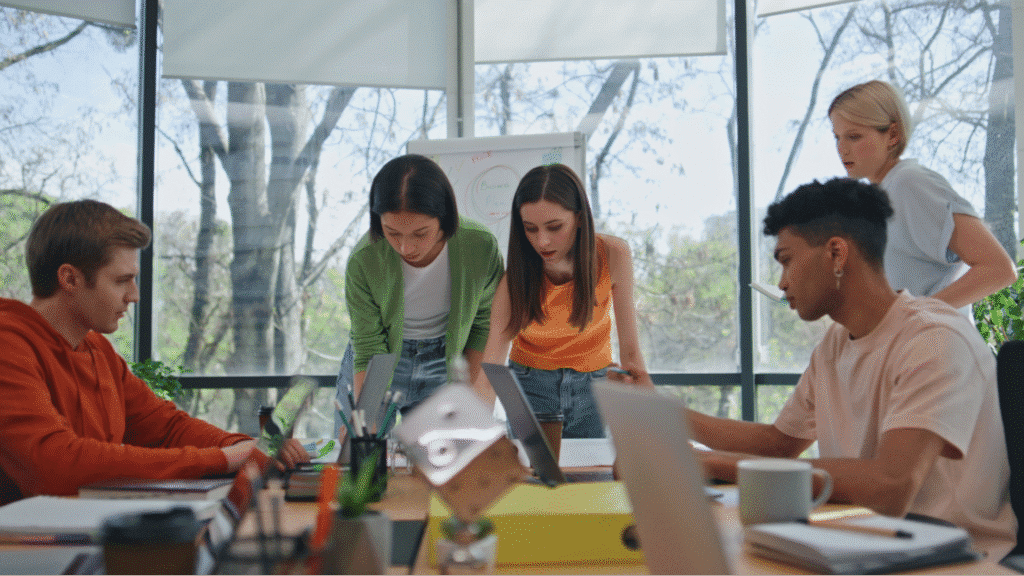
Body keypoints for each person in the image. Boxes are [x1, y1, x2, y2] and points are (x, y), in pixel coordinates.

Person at [691, 178, 1014, 538]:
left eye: (787, 260)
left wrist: (718, 463)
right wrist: (669, 418)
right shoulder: (835, 344)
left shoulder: (935, 339)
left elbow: (890, 487)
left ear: (836, 253)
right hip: (867, 539)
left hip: (957, 555)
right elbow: (778, 444)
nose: (781, 283)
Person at [0, 200, 308, 505]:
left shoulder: (98, 350)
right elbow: (56, 465)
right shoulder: (8, 344)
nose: (133, 296)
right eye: (122, 280)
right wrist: (222, 458)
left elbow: (167, 429)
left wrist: (245, 446)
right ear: (70, 279)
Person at [474, 164, 653, 439]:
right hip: (530, 385)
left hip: (595, 384)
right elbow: (490, 376)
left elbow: (630, 352)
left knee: (592, 472)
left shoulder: (613, 255)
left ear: (580, 218)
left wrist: (651, 420)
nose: (542, 241)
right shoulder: (514, 281)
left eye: (554, 227)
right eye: (530, 229)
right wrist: (470, 442)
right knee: (537, 474)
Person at [334, 154, 504, 434]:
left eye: (420, 233)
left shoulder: (480, 246)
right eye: (392, 232)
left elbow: (483, 324)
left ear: (444, 218)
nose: (405, 247)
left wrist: (469, 397)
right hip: (381, 358)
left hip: (446, 360)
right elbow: (369, 346)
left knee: (443, 459)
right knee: (362, 451)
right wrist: (367, 422)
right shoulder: (364, 260)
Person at [828, 80, 1016, 315]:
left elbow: (998, 269)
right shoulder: (880, 201)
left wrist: (914, 317)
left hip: (938, 346)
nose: (842, 148)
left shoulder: (910, 184)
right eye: (837, 137)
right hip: (911, 348)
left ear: (893, 134)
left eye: (854, 137)